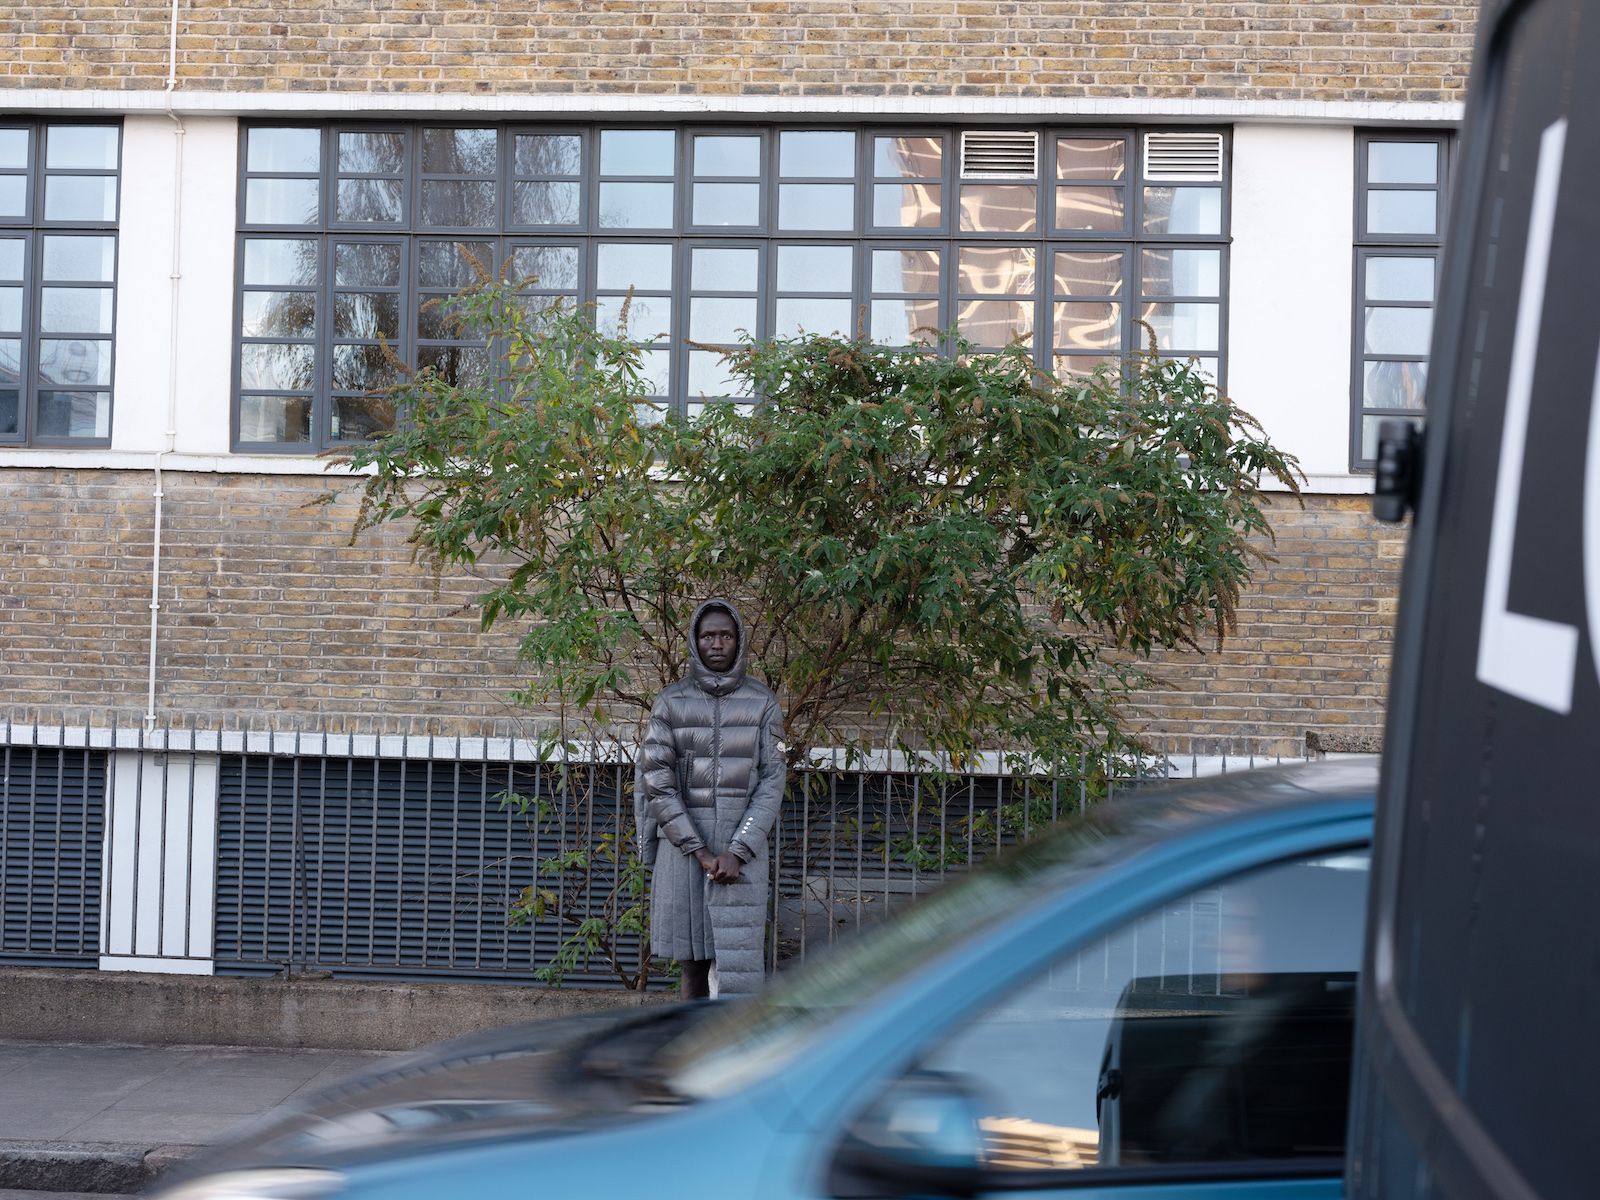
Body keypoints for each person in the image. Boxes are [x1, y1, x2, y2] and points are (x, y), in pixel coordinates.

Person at [636, 599, 784, 999]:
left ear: (739, 641)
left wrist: (739, 850)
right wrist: (698, 850)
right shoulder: (670, 702)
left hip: (743, 856)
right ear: (694, 642)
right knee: (691, 967)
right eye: (708, 636)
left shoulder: (763, 703)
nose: (717, 643)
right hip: (684, 852)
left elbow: (772, 781)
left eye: (726, 635)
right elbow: (657, 782)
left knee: (737, 969)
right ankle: (691, 1054)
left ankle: (729, 1055)